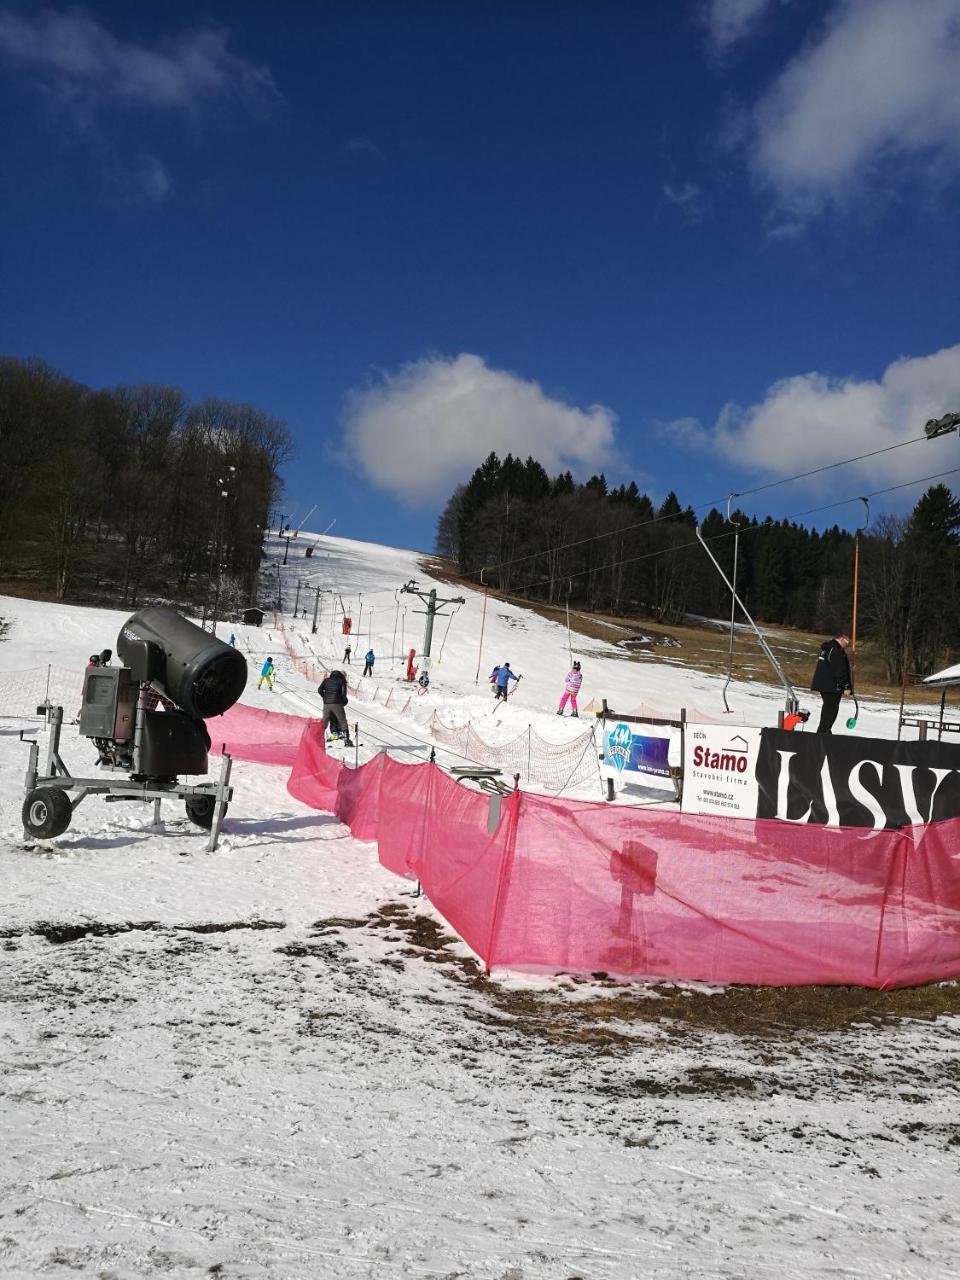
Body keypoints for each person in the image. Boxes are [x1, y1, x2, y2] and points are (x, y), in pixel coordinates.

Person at [810, 633, 852, 733]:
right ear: (841, 639)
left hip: (826, 685)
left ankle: (825, 731)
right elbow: (839, 671)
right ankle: (823, 732)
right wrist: (846, 686)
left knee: (828, 710)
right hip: (831, 687)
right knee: (831, 711)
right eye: (846, 642)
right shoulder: (835, 651)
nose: (846, 645)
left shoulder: (828, 649)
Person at [318, 669, 353, 746]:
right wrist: (343, 702)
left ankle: (317, 739)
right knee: (342, 721)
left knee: (324, 722)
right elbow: (344, 694)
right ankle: (347, 741)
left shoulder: (326, 680)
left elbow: (319, 690)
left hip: (326, 704)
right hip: (337, 703)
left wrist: (325, 698)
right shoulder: (341, 681)